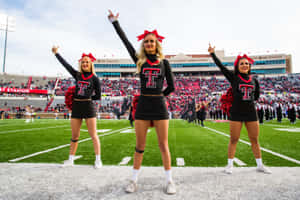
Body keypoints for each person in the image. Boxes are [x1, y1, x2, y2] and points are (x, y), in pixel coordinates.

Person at [108, 10, 176, 194]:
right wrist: (115, 23)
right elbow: (126, 42)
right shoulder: (140, 61)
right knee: (140, 146)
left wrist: (161, 96)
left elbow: (172, 86)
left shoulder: (165, 63)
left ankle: (170, 181)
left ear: (157, 44)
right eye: (146, 42)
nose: (149, 44)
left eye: (152, 41)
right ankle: (133, 180)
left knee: (163, 145)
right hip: (143, 105)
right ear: (143, 45)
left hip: (159, 106)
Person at [208, 44, 271, 174]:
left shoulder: (254, 80)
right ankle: (230, 165)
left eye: (247, 64)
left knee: (254, 139)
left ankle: (260, 164)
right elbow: (221, 67)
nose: (244, 65)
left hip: (250, 112)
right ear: (237, 66)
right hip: (236, 112)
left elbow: (256, 96)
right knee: (234, 139)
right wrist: (213, 54)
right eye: (242, 63)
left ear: (249, 66)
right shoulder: (234, 77)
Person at [52, 46, 102, 169]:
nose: (85, 63)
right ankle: (71, 160)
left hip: (88, 107)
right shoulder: (77, 75)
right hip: (77, 107)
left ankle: (98, 160)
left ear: (91, 64)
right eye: (83, 62)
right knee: (75, 136)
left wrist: (88, 98)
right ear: (81, 64)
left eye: (87, 62)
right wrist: (56, 54)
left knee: (93, 134)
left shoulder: (95, 79)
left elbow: (98, 96)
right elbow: (66, 65)